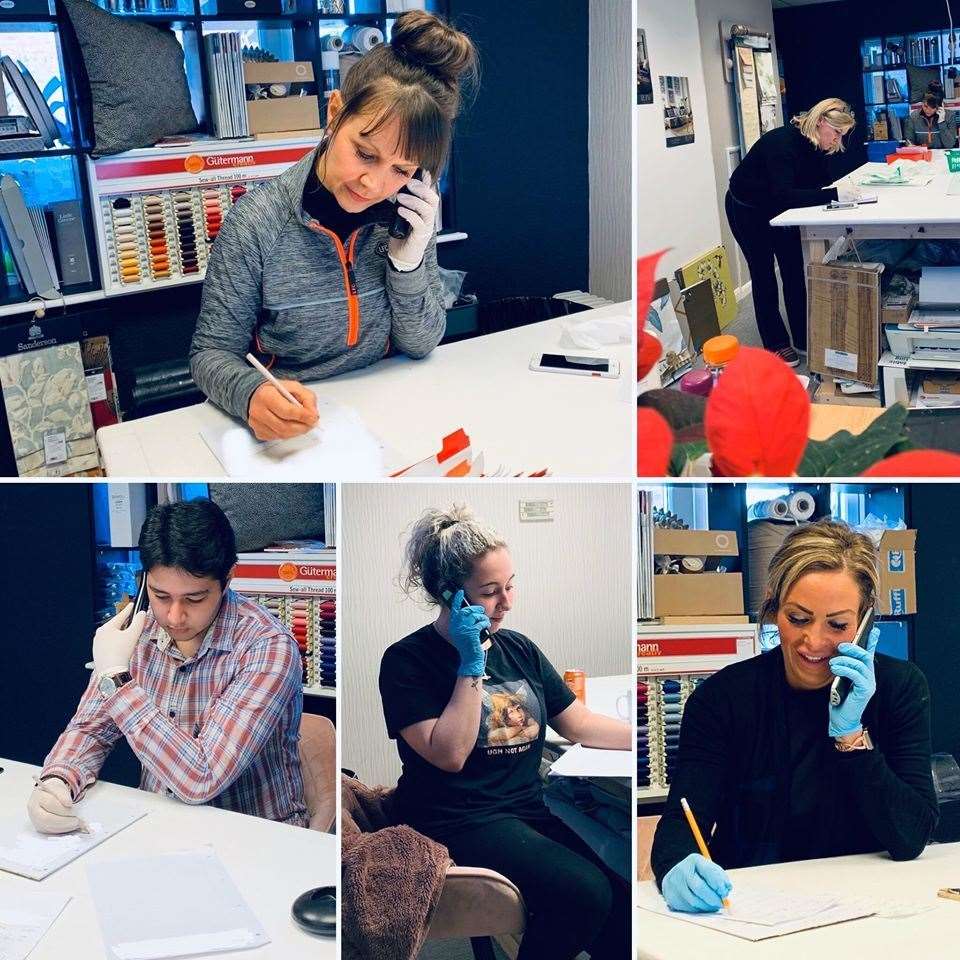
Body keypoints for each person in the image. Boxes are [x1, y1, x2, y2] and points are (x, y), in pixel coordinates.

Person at [190, 11, 478, 441]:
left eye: (402, 170)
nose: (374, 184)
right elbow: (210, 353)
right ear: (335, 113)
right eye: (364, 154)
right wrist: (250, 395)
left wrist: (408, 262)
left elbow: (421, 343)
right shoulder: (257, 222)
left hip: (392, 411)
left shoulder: (407, 215)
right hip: (298, 419)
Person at [378, 506, 632, 960]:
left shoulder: (519, 648)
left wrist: (652, 738)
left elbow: (579, 724)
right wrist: (470, 662)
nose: (507, 602)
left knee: (623, 913)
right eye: (490, 592)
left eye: (510, 585)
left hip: (524, 810)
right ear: (450, 596)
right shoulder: (405, 661)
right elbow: (450, 754)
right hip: (453, 818)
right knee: (585, 894)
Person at [651, 519, 937, 914]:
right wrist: (675, 871)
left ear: (865, 624)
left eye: (837, 625)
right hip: (753, 909)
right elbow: (678, 831)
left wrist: (852, 736)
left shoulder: (900, 687)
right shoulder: (722, 698)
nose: (814, 642)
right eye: (798, 619)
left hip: (870, 904)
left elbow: (911, 836)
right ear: (774, 606)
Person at [27, 499, 307, 832]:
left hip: (256, 833)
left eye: (194, 599)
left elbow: (202, 777)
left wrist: (115, 679)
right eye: (160, 596)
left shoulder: (268, 648)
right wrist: (58, 779)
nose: (174, 617)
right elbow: (90, 730)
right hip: (159, 825)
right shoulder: (137, 631)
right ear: (144, 581)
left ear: (228, 578)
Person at [726, 98, 857, 367]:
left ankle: (802, 335)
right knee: (763, 275)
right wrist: (833, 195)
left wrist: (839, 193)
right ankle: (775, 343)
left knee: (794, 270)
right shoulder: (781, 143)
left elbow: (819, 186)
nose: (837, 141)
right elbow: (784, 194)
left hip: (779, 210)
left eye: (842, 135)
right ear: (821, 122)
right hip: (748, 209)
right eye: (836, 133)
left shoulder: (817, 146)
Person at [902, 81, 958, 149]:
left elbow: (950, 145)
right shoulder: (914, 116)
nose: (928, 110)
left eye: (932, 108)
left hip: (942, 156)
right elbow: (909, 140)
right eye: (925, 106)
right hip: (922, 156)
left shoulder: (949, 116)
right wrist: (909, 145)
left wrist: (942, 122)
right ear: (922, 103)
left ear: (940, 106)